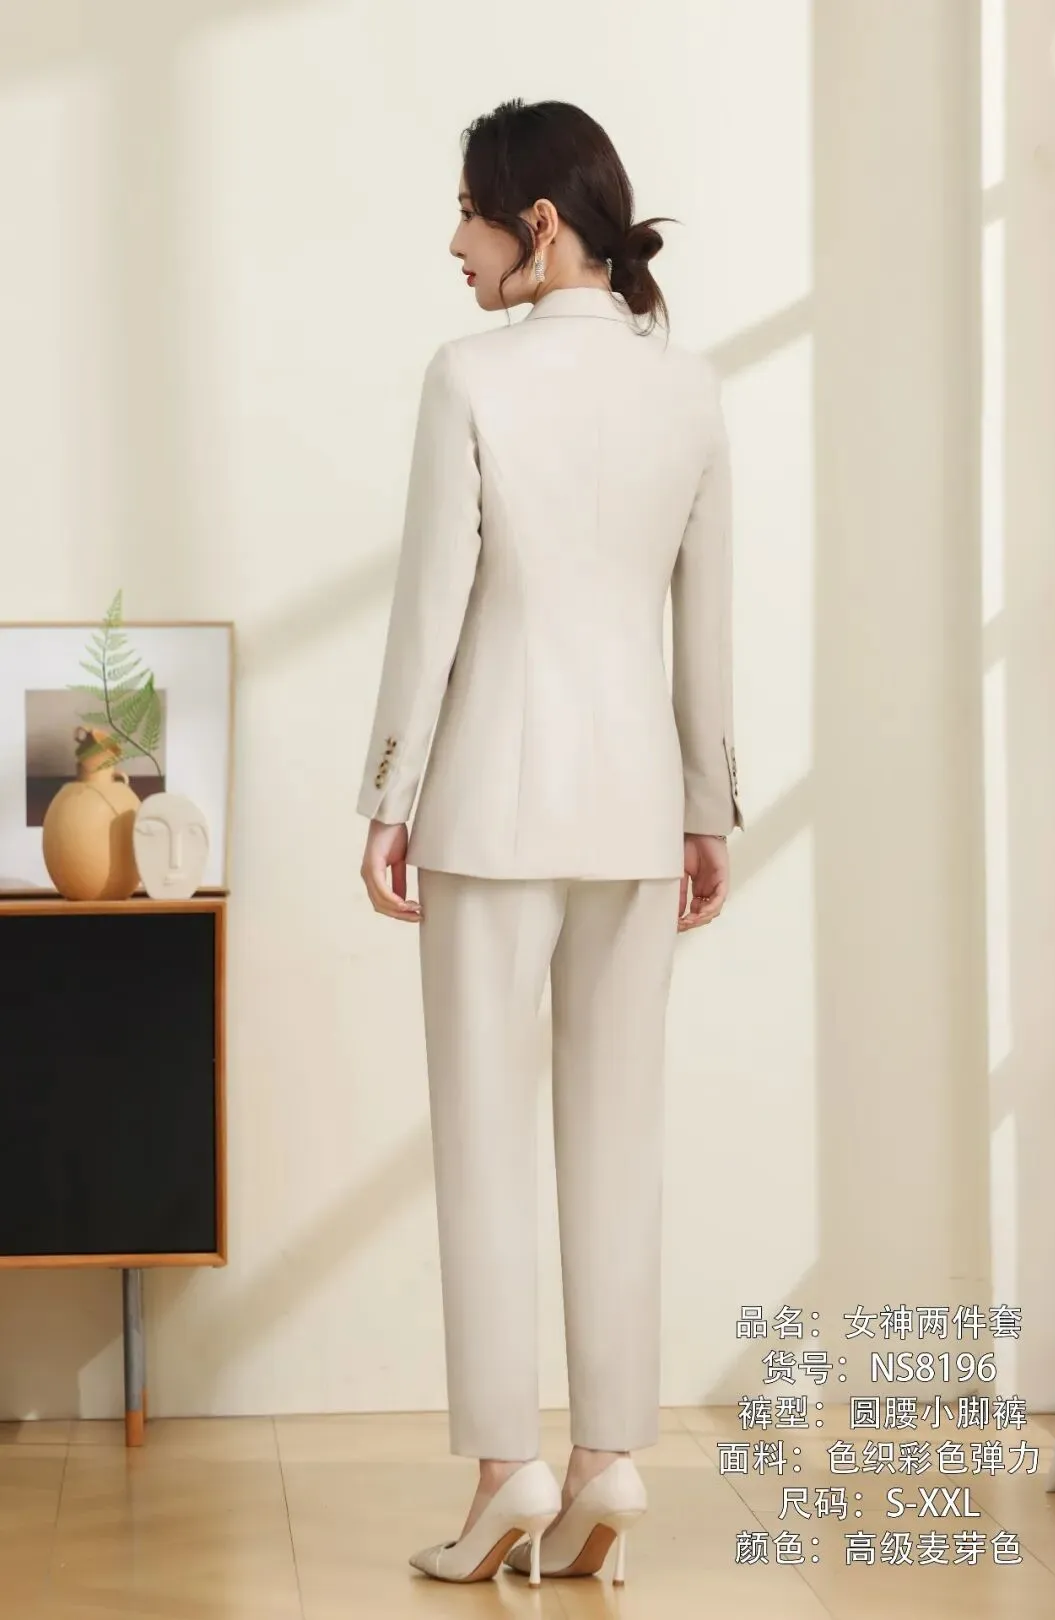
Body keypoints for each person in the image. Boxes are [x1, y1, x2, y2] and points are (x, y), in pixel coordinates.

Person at [357, 98, 744, 1587]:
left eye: (469, 211)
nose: (452, 243)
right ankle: (607, 1460)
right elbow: (705, 625)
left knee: (483, 1144)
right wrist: (706, 809)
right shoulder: (690, 389)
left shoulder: (469, 375)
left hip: (489, 803)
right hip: (637, 812)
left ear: (535, 224)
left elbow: (430, 612)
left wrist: (388, 796)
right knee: (617, 1143)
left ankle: (505, 1471)